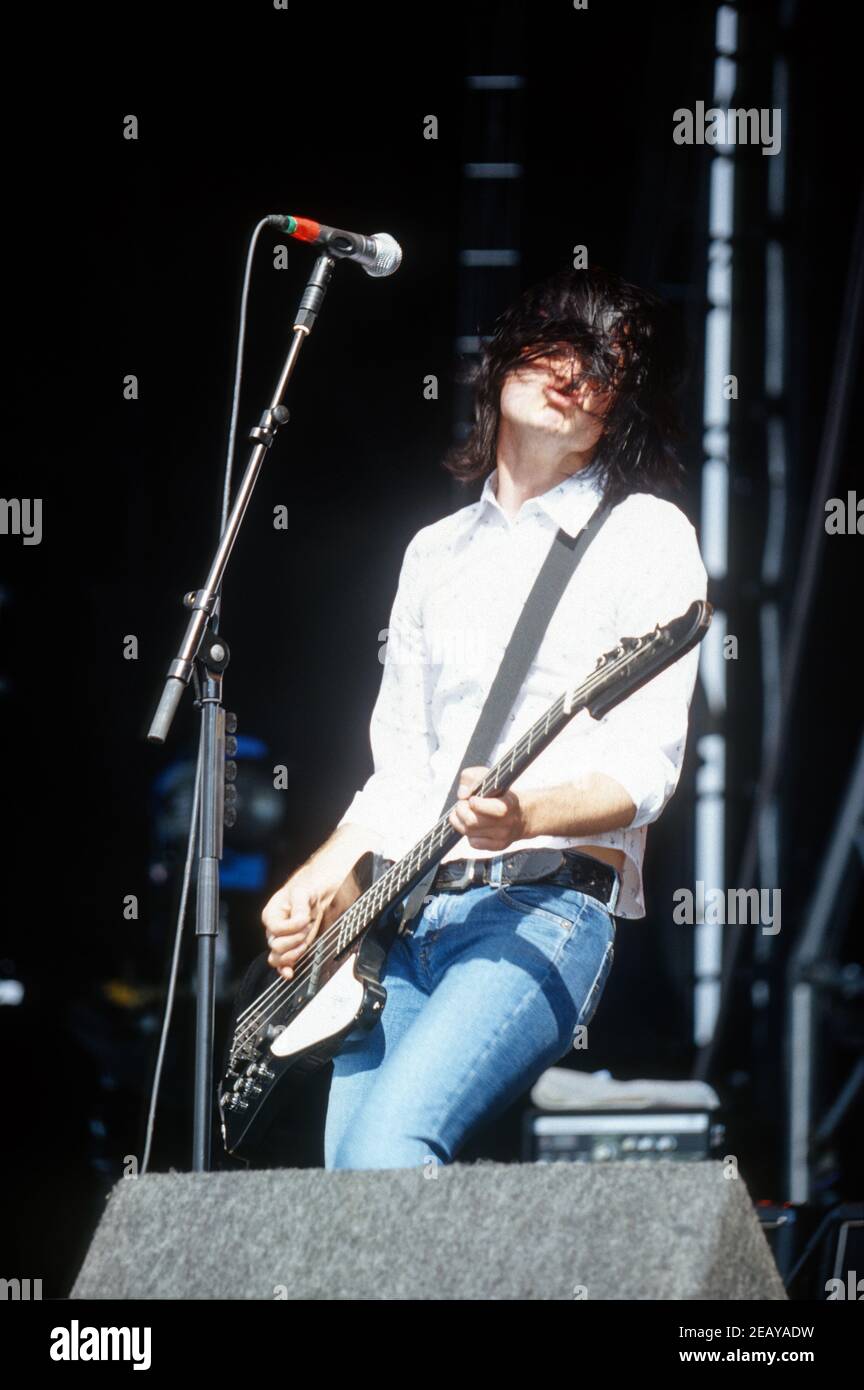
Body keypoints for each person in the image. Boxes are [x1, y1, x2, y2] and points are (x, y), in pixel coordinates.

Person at [261, 265, 708, 1170]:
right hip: (410, 920)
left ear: (620, 410)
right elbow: (402, 773)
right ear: (500, 360)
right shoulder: (434, 552)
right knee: (345, 1191)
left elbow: (647, 772)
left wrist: (526, 814)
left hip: (543, 912)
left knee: (390, 1152)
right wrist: (321, 878)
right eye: (560, 345)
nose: (576, 373)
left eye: (609, 364)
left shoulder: (647, 535)